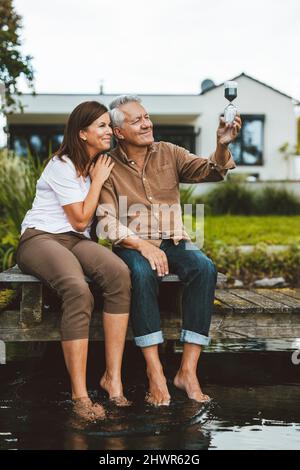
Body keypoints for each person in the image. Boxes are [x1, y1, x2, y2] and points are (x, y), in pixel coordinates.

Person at [96, 95, 241, 406]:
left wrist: (222, 143)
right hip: (132, 243)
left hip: (173, 239)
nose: (147, 123)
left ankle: (187, 371)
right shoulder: (107, 165)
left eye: (146, 117)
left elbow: (212, 170)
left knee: (204, 267)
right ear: (119, 132)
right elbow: (106, 222)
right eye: (136, 120)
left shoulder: (169, 152)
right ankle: (155, 372)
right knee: (139, 271)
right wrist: (143, 246)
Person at [16, 101, 132, 421]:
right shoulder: (62, 165)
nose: (109, 131)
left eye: (110, 125)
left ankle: (113, 378)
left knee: (119, 274)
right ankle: (80, 396)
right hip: (41, 238)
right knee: (78, 290)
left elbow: (85, 229)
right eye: (102, 126)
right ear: (82, 134)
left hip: (76, 241)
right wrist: (96, 181)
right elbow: (81, 219)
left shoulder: (98, 162)